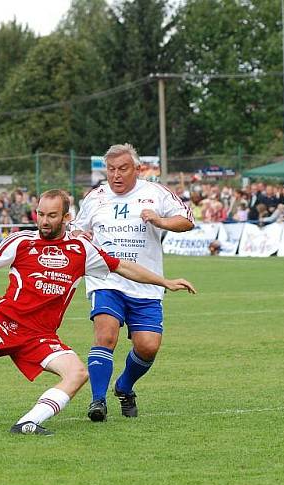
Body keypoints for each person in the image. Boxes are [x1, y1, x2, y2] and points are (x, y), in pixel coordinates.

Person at [0, 189, 196, 435]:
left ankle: (28, 423)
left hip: (40, 336)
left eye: (51, 215)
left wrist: (164, 281)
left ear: (66, 217)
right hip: (4, 323)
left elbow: (124, 267)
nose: (44, 221)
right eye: (40, 214)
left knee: (77, 373)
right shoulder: (22, 242)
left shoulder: (80, 250)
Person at [71, 143, 195, 422]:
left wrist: (161, 221)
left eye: (123, 169)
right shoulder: (96, 196)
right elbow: (78, 228)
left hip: (146, 283)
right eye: (111, 169)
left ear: (138, 169)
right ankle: (97, 401)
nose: (116, 175)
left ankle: (124, 386)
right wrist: (81, 236)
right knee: (105, 335)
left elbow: (187, 220)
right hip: (106, 279)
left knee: (148, 346)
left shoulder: (156, 193)